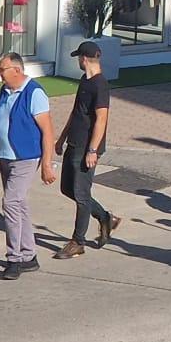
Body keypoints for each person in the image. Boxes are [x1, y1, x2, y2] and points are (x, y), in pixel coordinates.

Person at [0, 53, 57, 279]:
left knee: (10, 202)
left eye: (2, 70)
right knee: (19, 205)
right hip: (5, 158)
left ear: (17, 70)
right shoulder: (4, 91)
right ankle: (29, 255)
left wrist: (47, 165)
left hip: (26, 158)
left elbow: (48, 132)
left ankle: (14, 259)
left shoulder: (34, 93)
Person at [56, 41, 119, 259]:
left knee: (82, 194)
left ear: (84, 59)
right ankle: (105, 217)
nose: (78, 62)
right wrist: (62, 138)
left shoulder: (100, 85)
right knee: (67, 189)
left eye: (78, 58)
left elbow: (101, 118)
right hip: (73, 142)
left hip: (86, 148)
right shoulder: (85, 80)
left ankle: (77, 241)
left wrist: (93, 150)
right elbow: (77, 112)